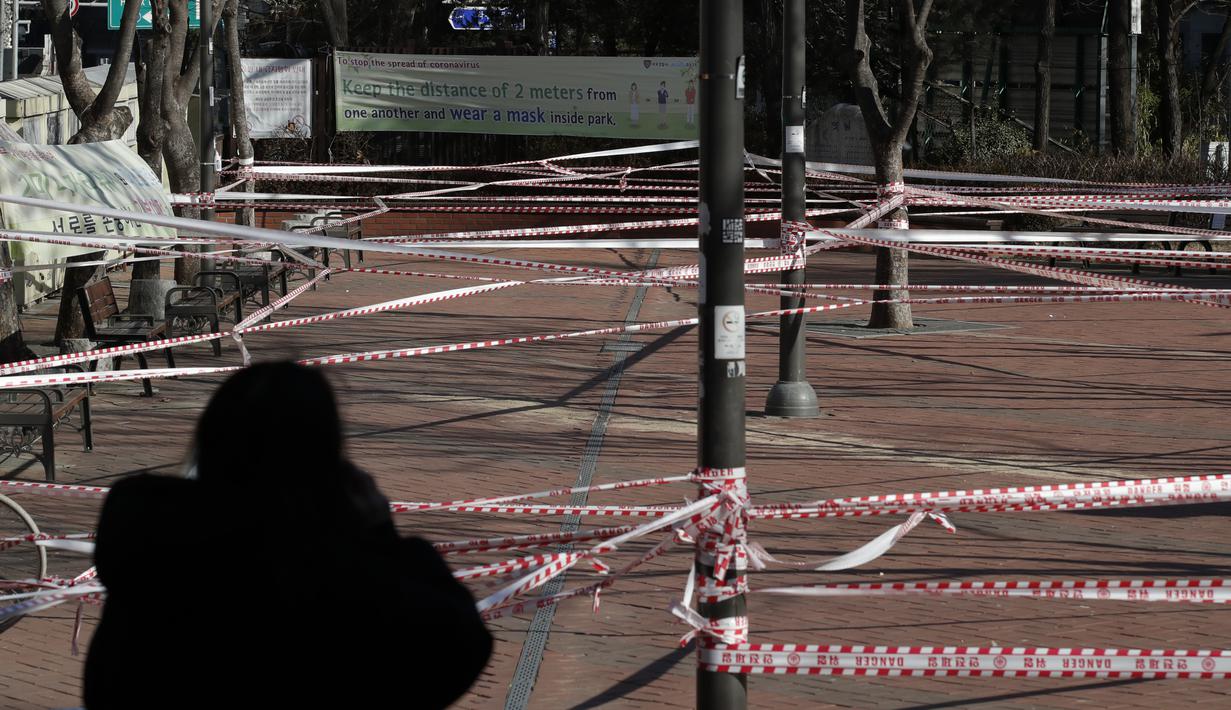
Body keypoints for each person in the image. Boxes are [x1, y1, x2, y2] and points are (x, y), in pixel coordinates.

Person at [83, 362, 492, 709]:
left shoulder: (151, 556)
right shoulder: (334, 576)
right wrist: (382, 536)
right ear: (327, 462)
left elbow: (104, 688)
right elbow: (458, 646)